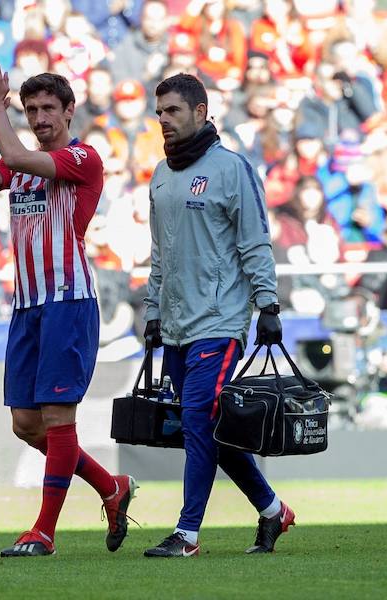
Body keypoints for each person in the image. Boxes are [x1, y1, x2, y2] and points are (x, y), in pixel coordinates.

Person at [0, 63, 135, 558]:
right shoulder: (20, 168)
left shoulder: (82, 158)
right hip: (28, 306)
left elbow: (14, 154)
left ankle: (44, 532)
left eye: (48, 108)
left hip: (68, 302)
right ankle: (111, 489)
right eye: (30, 110)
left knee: (56, 416)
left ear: (70, 110)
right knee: (26, 425)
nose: (39, 117)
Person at [142, 73, 292, 558]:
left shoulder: (231, 169)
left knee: (198, 423)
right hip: (176, 326)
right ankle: (273, 511)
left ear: (201, 112)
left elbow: (254, 241)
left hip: (221, 322)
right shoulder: (160, 176)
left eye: (173, 111)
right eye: (159, 111)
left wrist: (267, 306)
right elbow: (159, 255)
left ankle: (187, 534)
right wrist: (152, 314)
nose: (163, 119)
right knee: (211, 428)